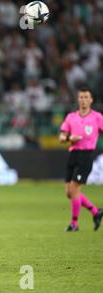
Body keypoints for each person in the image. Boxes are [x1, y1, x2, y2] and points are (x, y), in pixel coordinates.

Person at [59, 87, 103, 232]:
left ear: (91, 100)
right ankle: (96, 211)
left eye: (86, 97)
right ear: (78, 99)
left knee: (75, 189)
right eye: (81, 97)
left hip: (86, 155)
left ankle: (74, 223)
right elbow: (61, 137)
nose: (83, 100)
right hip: (73, 154)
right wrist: (68, 138)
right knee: (69, 192)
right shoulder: (71, 117)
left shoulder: (97, 117)